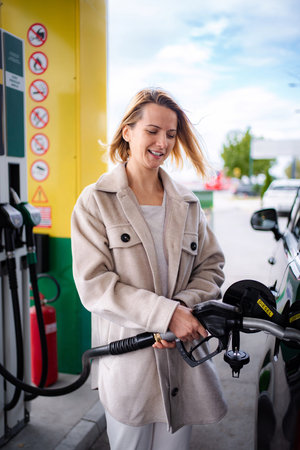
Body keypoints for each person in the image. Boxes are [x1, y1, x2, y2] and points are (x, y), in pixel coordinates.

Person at [71, 88, 227, 450]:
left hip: (185, 362)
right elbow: (95, 285)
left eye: (171, 134)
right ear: (128, 131)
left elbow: (212, 266)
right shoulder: (96, 202)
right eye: (152, 131)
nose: (163, 142)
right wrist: (165, 314)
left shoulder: (187, 204)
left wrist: (182, 309)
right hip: (130, 365)